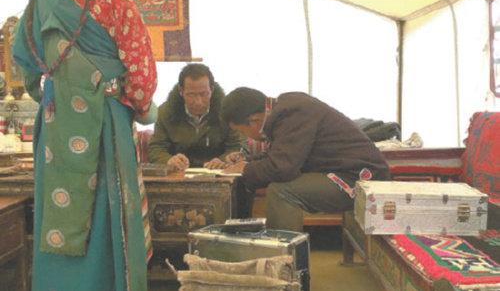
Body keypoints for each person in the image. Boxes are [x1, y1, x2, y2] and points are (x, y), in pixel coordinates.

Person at [12, 0, 158, 291]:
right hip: (106, 119)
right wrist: (140, 106)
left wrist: (46, 91)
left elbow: (21, 55)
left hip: (56, 123)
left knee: (59, 212)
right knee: (107, 211)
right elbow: (141, 72)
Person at [221, 87, 391, 232]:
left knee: (282, 191)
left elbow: (283, 168)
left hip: (360, 178)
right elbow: (284, 154)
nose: (244, 137)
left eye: (242, 132)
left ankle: (285, 262)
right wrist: (247, 161)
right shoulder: (285, 110)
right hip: (342, 172)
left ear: (255, 120)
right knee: (269, 183)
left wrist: (246, 169)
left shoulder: (293, 113)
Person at [148, 63, 244, 170]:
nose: (198, 102)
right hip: (179, 174)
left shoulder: (228, 112)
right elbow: (156, 149)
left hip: (219, 173)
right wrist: (169, 160)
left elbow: (238, 146)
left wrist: (223, 160)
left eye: (204, 94)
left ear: (212, 90)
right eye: (191, 95)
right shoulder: (164, 112)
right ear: (181, 91)